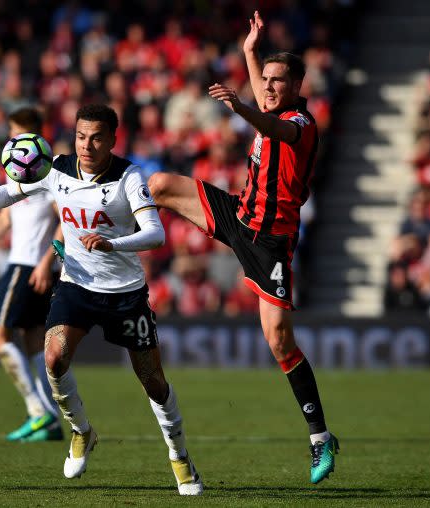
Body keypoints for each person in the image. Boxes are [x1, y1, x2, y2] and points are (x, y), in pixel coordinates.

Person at [0, 104, 204, 496]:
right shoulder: (56, 168)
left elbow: (155, 234)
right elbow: (14, 188)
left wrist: (113, 243)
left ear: (112, 140)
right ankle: (81, 431)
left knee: (153, 381)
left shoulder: (129, 177)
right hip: (76, 285)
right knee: (54, 357)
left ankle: (180, 457)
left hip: (125, 294)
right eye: (80, 136)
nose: (87, 145)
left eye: (97, 137)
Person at [147, 11, 339, 484]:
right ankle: (106, 245)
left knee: (278, 341)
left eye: (278, 81)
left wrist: (241, 109)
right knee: (158, 184)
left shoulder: (300, 122)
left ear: (297, 85)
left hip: (270, 242)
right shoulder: (268, 104)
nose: (269, 86)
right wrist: (251, 49)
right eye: (266, 80)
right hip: (238, 215)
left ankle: (320, 438)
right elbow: (259, 102)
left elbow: (274, 129)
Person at [0, 107, 63, 442]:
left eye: (16, 133)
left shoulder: (49, 173)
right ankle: (48, 419)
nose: (11, 140)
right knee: (34, 341)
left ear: (32, 136)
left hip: (27, 267)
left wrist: (45, 261)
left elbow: (66, 219)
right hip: (31, 267)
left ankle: (38, 411)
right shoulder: (20, 173)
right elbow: (7, 219)